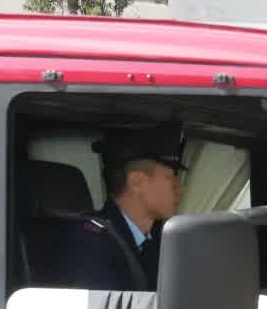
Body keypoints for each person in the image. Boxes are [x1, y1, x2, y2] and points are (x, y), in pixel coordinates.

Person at [62, 123, 186, 292]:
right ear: (137, 182)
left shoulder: (164, 241)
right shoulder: (91, 246)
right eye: (169, 178)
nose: (179, 189)